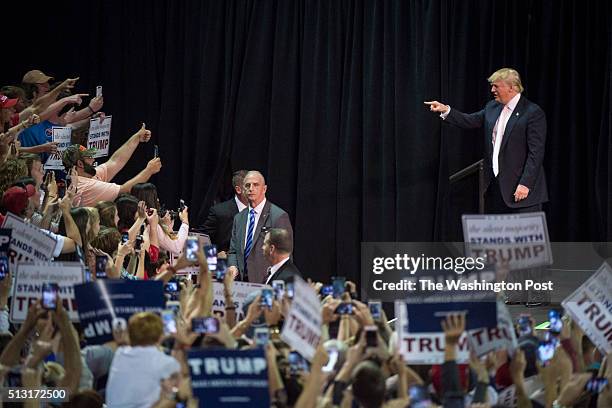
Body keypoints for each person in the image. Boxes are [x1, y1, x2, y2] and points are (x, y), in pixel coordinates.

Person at [426, 67, 548, 213]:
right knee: (500, 235)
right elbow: (470, 120)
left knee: (524, 235)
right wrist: (445, 110)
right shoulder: (492, 107)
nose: (492, 90)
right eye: (492, 86)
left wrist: (525, 184)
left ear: (512, 87)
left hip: (522, 193)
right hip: (497, 190)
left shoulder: (532, 112)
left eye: (496, 86)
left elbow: (536, 152)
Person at [61, 123, 162, 206]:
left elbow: (115, 161)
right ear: (80, 164)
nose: (93, 159)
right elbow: (125, 190)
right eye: (89, 157)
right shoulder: (84, 184)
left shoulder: (88, 176)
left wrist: (137, 138)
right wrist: (149, 171)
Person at [227, 171, 293, 283]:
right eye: (247, 185)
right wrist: (233, 266)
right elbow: (233, 251)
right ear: (243, 189)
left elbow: (285, 256)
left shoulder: (279, 216)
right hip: (241, 284)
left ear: (264, 189)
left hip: (266, 284)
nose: (251, 188)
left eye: (255, 185)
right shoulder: (239, 218)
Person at [105, 312, 181, 408]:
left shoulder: (119, 354)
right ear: (161, 335)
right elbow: (181, 386)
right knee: (177, 394)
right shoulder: (166, 363)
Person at [201, 170, 248, 253]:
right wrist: (214, 257)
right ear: (238, 190)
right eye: (249, 186)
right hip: (226, 263)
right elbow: (201, 239)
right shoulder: (220, 212)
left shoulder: (265, 211)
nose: (254, 190)